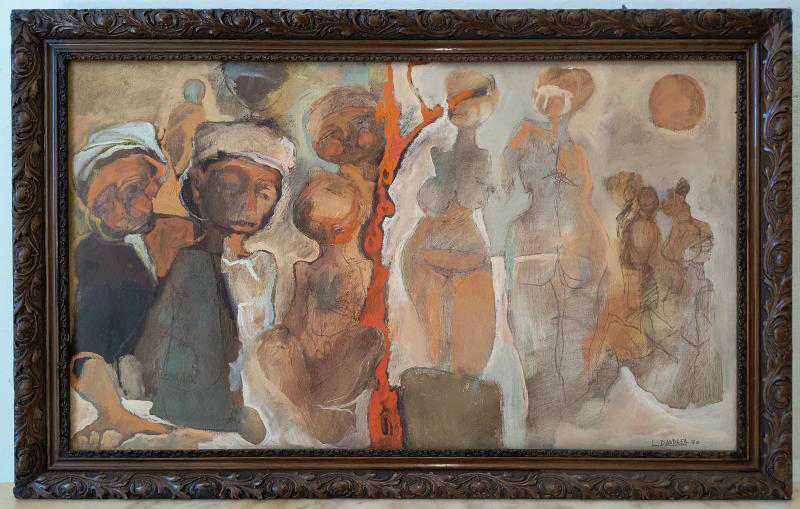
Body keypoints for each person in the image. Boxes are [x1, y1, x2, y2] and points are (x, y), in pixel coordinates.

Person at [135, 121, 294, 443]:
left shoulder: (265, 266)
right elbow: (176, 363)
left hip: (260, 409)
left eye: (264, 192)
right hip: (207, 419)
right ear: (198, 187)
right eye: (231, 185)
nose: (248, 204)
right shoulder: (192, 266)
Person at [70, 121, 194, 448]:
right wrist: (112, 410)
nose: (126, 208)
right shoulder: (93, 253)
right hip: (137, 391)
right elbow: (90, 343)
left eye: (137, 190)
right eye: (105, 202)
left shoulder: (185, 233)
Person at [503, 67, 609, 447]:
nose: (554, 105)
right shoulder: (525, 138)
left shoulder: (578, 154)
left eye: (562, 97)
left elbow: (585, 205)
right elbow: (505, 187)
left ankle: (566, 418)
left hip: (578, 254)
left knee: (574, 341)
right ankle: (539, 428)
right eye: (547, 96)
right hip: (534, 250)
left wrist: (599, 255)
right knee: (536, 343)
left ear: (572, 104)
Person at [256, 172, 384, 446]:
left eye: (337, 227)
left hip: (340, 367)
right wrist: (294, 349)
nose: (329, 236)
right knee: (274, 342)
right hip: (304, 368)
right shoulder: (304, 270)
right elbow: (292, 323)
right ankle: (307, 415)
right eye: (321, 227)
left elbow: (367, 319)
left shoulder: (363, 271)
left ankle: (317, 416)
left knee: (372, 339)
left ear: (356, 219)